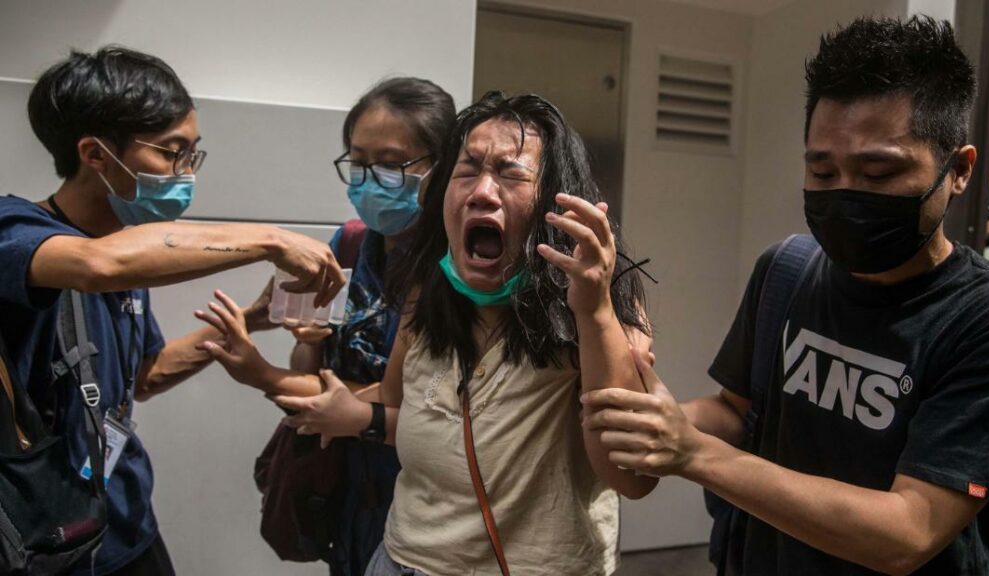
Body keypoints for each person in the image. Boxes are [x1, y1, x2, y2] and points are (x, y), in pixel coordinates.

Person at [584, 15, 989, 575]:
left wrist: (692, 453)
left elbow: (909, 531)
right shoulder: (788, 271)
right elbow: (737, 413)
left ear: (958, 171)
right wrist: (657, 416)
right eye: (823, 169)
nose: (845, 194)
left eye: (877, 173)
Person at [197, 92, 658, 575]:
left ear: (557, 203)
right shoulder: (425, 290)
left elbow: (632, 477)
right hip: (399, 558)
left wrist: (595, 310)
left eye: (510, 172)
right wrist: (317, 380)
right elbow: (399, 405)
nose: (482, 190)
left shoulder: (601, 304)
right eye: (468, 169)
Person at [0, 46, 343, 575]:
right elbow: (95, 265)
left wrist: (247, 322)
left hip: (126, 523)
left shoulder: (131, 249)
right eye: (170, 153)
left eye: (192, 154)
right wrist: (273, 239)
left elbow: (145, 377)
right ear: (95, 154)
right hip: (44, 537)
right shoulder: (18, 233)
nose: (185, 172)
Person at [273, 77, 456, 576]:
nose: (369, 178)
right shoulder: (352, 244)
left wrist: (255, 372)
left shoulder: (458, 267)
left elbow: (438, 411)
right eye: (358, 161)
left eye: (391, 164)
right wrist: (308, 346)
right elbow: (315, 368)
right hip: (350, 486)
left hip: (425, 499)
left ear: (441, 168)